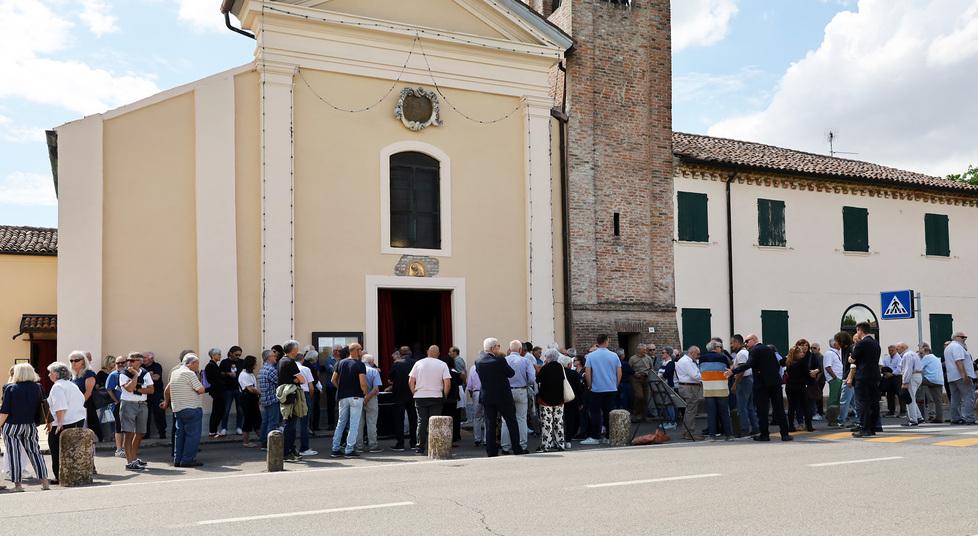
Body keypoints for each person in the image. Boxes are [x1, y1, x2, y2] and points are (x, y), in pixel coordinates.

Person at [726, 334, 792, 442]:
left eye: (747, 341)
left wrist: (733, 371)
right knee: (779, 409)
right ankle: (785, 434)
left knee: (762, 411)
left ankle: (764, 435)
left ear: (754, 340)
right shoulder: (769, 349)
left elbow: (749, 364)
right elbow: (776, 365)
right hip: (775, 383)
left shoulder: (755, 350)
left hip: (762, 385)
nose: (745, 344)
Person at [0, 364, 51, 491]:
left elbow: (5, 411)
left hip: (12, 425)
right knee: (35, 452)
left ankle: (18, 485)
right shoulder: (38, 387)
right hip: (30, 425)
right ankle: (44, 482)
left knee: (14, 454)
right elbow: (45, 406)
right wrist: (48, 421)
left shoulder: (10, 387)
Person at [475, 338, 523, 457]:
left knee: (490, 423)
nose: (499, 348)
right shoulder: (499, 361)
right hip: (503, 396)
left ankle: (491, 451)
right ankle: (517, 448)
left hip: (487, 396)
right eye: (498, 346)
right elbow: (511, 373)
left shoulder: (478, 361)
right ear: (492, 348)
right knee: (511, 421)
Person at [47, 361, 87, 481]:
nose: (48, 375)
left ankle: (59, 476)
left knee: (56, 450)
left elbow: (60, 406)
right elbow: (81, 400)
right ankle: (72, 474)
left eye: (50, 372)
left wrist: (59, 423)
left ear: (56, 374)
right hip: (77, 420)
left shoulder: (57, 386)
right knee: (73, 450)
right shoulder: (72, 385)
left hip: (64, 422)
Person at [162, 353, 205, 467]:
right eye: (197, 363)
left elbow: (167, 390)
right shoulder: (190, 374)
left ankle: (177, 459)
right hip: (191, 408)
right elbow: (200, 390)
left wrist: (166, 402)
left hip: (178, 409)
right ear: (192, 363)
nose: (198, 366)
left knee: (179, 435)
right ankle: (187, 460)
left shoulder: (175, 373)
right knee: (192, 435)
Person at [408, 345, 451, 456]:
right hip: (436, 396)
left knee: (421, 422)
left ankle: (420, 447)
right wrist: (444, 396)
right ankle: (435, 446)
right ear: (438, 353)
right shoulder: (442, 364)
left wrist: (414, 392)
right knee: (435, 423)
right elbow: (447, 382)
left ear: (428, 352)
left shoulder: (419, 363)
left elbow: (411, 380)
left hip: (420, 396)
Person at [330, 343, 367, 457]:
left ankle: (335, 448)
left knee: (341, 422)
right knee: (354, 423)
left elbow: (333, 380)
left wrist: (341, 388)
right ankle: (349, 449)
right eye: (360, 349)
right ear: (355, 350)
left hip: (343, 396)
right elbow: (362, 383)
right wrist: (365, 393)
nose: (361, 351)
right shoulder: (360, 364)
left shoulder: (340, 363)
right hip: (356, 396)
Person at [499, 340, 536, 454]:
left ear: (510, 350)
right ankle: (522, 445)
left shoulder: (503, 360)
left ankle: (505, 446)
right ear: (520, 350)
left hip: (506, 391)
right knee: (521, 419)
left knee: (506, 420)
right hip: (521, 390)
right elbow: (531, 378)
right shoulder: (525, 361)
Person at [119, 353, 154, 470]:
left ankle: (134, 458)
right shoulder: (124, 373)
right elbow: (128, 388)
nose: (129, 362)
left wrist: (137, 389)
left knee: (141, 432)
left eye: (132, 360)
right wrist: (135, 376)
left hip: (142, 404)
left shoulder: (145, 373)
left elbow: (151, 390)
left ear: (140, 361)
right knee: (129, 433)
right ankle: (130, 462)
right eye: (128, 360)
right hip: (128, 404)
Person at [851, 322, 882, 437]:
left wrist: (850, 358)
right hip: (874, 375)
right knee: (874, 402)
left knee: (862, 403)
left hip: (863, 376)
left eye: (857, 331)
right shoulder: (875, 343)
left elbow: (853, 358)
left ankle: (864, 428)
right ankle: (873, 427)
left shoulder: (861, 343)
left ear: (860, 330)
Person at [278, 340, 307, 461]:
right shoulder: (290, 362)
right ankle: (287, 451)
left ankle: (290, 449)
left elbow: (298, 379)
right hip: (291, 395)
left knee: (289, 423)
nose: (298, 351)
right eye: (297, 348)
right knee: (291, 424)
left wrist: (297, 379)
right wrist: (297, 380)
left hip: (285, 394)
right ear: (293, 350)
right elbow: (302, 379)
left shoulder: (281, 361)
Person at [535, 348, 567, 452]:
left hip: (546, 399)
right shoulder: (560, 367)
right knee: (559, 422)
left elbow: (538, 379)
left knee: (547, 423)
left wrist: (539, 369)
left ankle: (546, 445)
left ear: (548, 358)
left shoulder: (545, 367)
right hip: (559, 399)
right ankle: (561, 444)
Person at [700, 341, 733, 440]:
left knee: (711, 413)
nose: (721, 349)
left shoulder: (702, 358)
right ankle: (728, 435)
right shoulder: (722, 357)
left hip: (708, 389)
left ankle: (712, 435)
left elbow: (701, 371)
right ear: (715, 348)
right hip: (721, 388)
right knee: (724, 413)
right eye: (720, 347)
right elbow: (727, 370)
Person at [784, 339, 817, 433]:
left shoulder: (788, 363)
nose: (802, 353)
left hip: (790, 386)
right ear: (797, 354)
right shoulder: (802, 363)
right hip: (800, 386)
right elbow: (807, 374)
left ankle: (791, 426)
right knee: (805, 406)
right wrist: (812, 374)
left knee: (791, 407)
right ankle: (809, 426)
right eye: (801, 352)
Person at [389, 346, 418, 451]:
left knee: (399, 420)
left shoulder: (397, 363)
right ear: (410, 353)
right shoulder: (416, 363)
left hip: (399, 395)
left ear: (400, 354)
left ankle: (400, 443)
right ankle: (414, 443)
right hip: (413, 394)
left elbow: (390, 378)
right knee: (413, 419)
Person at [944, 331, 976, 425]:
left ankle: (956, 418)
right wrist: (964, 375)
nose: (965, 339)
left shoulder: (948, 347)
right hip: (960, 376)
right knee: (969, 396)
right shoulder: (957, 347)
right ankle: (969, 418)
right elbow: (959, 361)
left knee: (955, 398)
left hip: (952, 377)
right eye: (963, 337)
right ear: (956, 337)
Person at [68, 351, 99, 442]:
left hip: (86, 406)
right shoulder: (72, 375)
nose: (73, 362)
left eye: (76, 360)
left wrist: (78, 405)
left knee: (88, 432)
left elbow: (88, 393)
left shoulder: (88, 373)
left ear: (83, 361)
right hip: (76, 407)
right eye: (71, 360)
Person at [675, 346, 704, 441]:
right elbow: (695, 375)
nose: (698, 356)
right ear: (692, 353)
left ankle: (686, 432)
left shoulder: (686, 360)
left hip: (687, 386)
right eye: (697, 354)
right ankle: (689, 433)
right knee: (691, 410)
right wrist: (706, 376)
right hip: (689, 387)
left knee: (689, 410)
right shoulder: (686, 362)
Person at [730, 335, 757, 437]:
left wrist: (735, 384)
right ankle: (755, 427)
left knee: (742, 407)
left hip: (743, 380)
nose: (731, 345)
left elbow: (741, 370)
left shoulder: (741, 354)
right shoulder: (746, 352)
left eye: (732, 343)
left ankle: (744, 429)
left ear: (737, 342)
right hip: (749, 379)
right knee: (750, 407)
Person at [356, 353, 383, 454]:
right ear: (371, 362)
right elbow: (376, 389)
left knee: (358, 423)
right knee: (371, 423)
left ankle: (358, 446)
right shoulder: (374, 371)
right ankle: (373, 445)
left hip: (358, 398)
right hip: (371, 399)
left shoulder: (357, 370)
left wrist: (364, 397)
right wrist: (368, 397)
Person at [219, 346, 244, 436]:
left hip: (239, 389)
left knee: (240, 410)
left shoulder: (242, 362)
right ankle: (224, 428)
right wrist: (227, 374)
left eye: (239, 355)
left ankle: (239, 427)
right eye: (236, 355)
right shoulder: (224, 362)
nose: (238, 357)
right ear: (230, 353)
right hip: (227, 389)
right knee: (226, 409)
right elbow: (219, 373)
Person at [238, 354, 262, 447]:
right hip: (247, 399)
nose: (256, 365)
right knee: (248, 420)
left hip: (252, 399)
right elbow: (250, 389)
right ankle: (246, 442)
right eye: (255, 364)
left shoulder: (249, 373)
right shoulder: (244, 375)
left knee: (256, 419)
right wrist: (260, 393)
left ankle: (264, 439)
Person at [257, 349, 280, 450]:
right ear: (268, 358)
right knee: (273, 422)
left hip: (264, 399)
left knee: (265, 422)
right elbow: (279, 382)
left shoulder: (262, 369)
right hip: (272, 399)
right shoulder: (271, 369)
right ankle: (269, 444)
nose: (275, 357)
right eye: (274, 356)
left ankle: (263, 443)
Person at [297, 351, 318, 456]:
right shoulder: (305, 369)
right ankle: (304, 447)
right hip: (304, 394)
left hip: (292, 394)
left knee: (291, 422)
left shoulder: (289, 367)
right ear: (302, 359)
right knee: (304, 422)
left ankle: (290, 448)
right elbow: (311, 387)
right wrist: (310, 396)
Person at [440, 352, 464, 444]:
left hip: (444, 397)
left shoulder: (442, 372)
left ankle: (446, 436)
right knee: (453, 417)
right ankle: (454, 436)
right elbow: (459, 382)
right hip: (453, 398)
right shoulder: (454, 373)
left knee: (444, 417)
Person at [918, 343, 945, 423]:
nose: (921, 355)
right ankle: (939, 418)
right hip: (939, 380)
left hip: (930, 379)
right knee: (938, 400)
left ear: (926, 352)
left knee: (915, 382)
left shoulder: (927, 357)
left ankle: (919, 414)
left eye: (921, 353)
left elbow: (919, 367)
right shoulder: (936, 358)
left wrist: (918, 357)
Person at [142, 352, 167, 440]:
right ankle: (146, 434)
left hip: (157, 393)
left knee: (159, 413)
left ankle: (162, 433)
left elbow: (156, 377)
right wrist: (150, 374)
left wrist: (145, 375)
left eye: (145, 357)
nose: (143, 359)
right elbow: (138, 377)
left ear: (151, 358)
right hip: (145, 394)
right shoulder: (141, 367)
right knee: (145, 415)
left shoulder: (157, 366)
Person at [899, 343, 924, 427]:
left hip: (912, 377)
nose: (897, 350)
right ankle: (919, 417)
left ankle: (913, 420)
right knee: (912, 398)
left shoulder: (907, 355)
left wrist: (904, 382)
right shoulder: (912, 353)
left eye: (897, 348)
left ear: (902, 347)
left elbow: (907, 369)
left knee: (909, 399)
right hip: (917, 376)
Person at [628, 344, 654, 423]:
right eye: (644, 350)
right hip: (636, 379)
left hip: (645, 378)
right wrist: (634, 374)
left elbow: (651, 368)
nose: (646, 351)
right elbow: (629, 369)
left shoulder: (648, 358)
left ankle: (644, 416)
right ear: (639, 350)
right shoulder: (632, 359)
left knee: (646, 397)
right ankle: (636, 414)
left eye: (646, 349)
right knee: (639, 396)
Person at [822, 337, 845, 427]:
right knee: (834, 400)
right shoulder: (829, 353)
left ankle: (833, 418)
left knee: (837, 399)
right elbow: (828, 367)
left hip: (838, 378)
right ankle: (832, 420)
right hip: (835, 379)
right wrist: (835, 377)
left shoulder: (835, 353)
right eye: (839, 343)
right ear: (835, 344)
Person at [203, 348, 225, 438]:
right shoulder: (210, 365)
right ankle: (212, 431)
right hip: (216, 392)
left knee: (219, 411)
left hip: (218, 391)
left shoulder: (214, 365)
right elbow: (214, 379)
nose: (220, 356)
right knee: (217, 411)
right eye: (218, 354)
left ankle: (214, 430)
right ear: (213, 355)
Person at [94, 356, 115, 442]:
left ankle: (111, 436)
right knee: (102, 418)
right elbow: (97, 387)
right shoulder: (101, 373)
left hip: (112, 398)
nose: (114, 364)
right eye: (113, 362)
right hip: (103, 400)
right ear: (108, 362)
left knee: (112, 418)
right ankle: (103, 436)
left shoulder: (113, 373)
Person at [881, 344, 906, 417]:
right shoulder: (886, 358)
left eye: (892, 350)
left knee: (900, 394)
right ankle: (891, 411)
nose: (891, 352)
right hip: (888, 377)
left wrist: (892, 374)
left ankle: (903, 411)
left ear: (896, 350)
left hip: (897, 377)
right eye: (889, 350)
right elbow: (884, 366)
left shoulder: (899, 358)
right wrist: (886, 373)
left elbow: (899, 368)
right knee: (889, 394)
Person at [466, 362, 484, 447]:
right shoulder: (489, 365)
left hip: (476, 393)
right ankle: (486, 439)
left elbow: (469, 385)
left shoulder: (473, 368)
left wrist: (471, 394)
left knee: (477, 417)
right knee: (488, 416)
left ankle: (477, 438)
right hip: (487, 392)